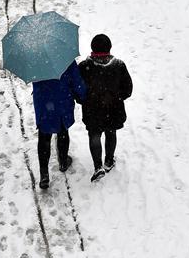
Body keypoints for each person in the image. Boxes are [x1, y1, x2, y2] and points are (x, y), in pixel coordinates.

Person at [78, 34, 133, 182]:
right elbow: (128, 89)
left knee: (94, 136)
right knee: (111, 132)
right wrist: (116, 97)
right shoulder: (119, 65)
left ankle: (98, 166)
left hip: (92, 110)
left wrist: (84, 99)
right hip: (113, 110)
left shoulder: (84, 67)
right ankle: (109, 161)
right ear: (109, 47)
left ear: (92, 48)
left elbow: (78, 89)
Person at [32, 59, 87, 190]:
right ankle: (63, 161)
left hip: (43, 102)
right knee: (62, 131)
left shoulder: (34, 61)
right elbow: (77, 82)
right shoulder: (65, 59)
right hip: (62, 100)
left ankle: (44, 174)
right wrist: (82, 95)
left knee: (44, 137)